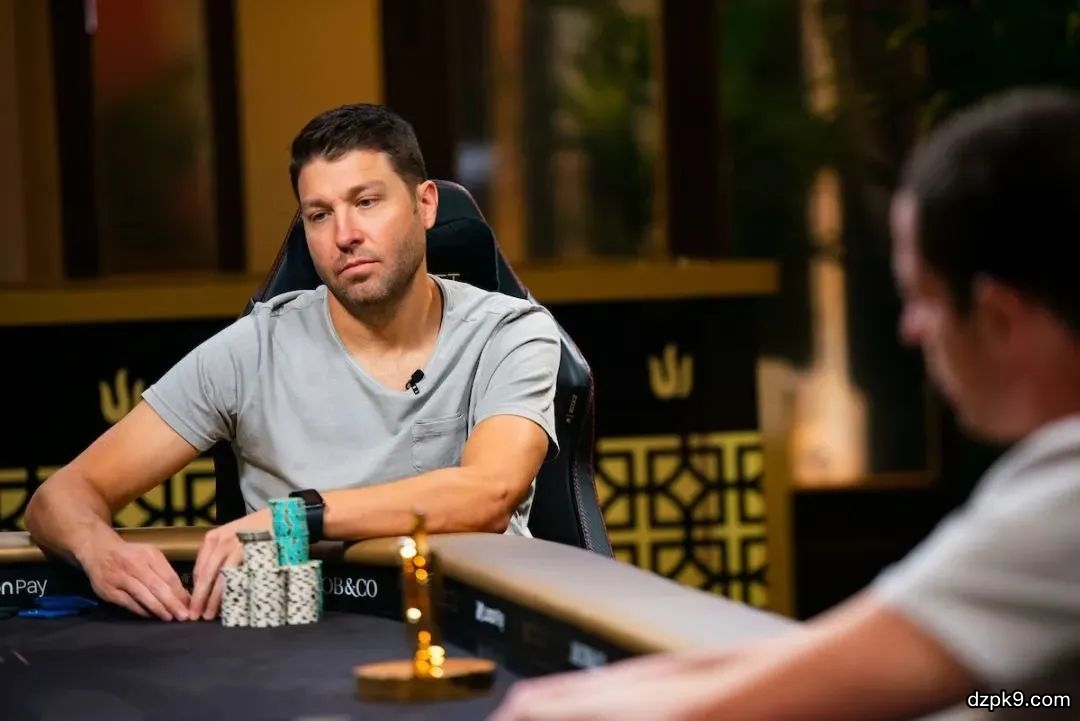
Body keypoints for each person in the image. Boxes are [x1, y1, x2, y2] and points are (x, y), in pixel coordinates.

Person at [489, 87, 1080, 720]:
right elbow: (866, 654)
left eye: (922, 299)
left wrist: (546, 711)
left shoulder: (1066, 493)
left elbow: (818, 687)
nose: (910, 331)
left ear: (997, 317)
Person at [24, 104, 561, 625]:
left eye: (367, 202)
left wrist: (295, 519)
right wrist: (100, 551)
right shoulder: (252, 349)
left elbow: (490, 492)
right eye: (320, 215)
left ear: (424, 205)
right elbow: (60, 498)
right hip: (291, 636)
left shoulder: (509, 332)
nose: (345, 235)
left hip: (468, 630)